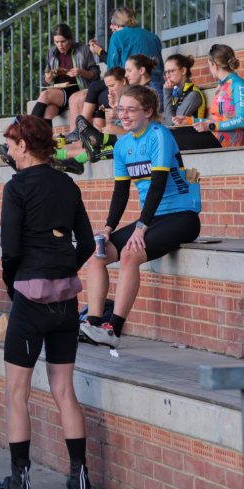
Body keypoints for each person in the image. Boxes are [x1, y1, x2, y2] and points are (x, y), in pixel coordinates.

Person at [0, 115, 95, 489]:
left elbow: (10, 248)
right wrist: (65, 269)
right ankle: (80, 475)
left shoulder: (17, 187)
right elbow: (89, 244)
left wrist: (16, 281)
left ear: (25, 146)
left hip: (30, 297)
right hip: (65, 298)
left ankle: (19, 481)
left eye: (11, 144)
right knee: (64, 390)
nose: (8, 150)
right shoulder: (67, 183)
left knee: (16, 393)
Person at [80, 85, 202, 347]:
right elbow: (120, 192)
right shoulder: (123, 144)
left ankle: (114, 330)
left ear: (148, 112)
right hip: (152, 219)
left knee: (129, 254)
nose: (123, 115)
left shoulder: (160, 134)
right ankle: (93, 323)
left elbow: (158, 184)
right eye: (120, 109)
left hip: (181, 216)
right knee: (97, 252)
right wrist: (108, 228)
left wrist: (141, 227)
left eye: (131, 110)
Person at [29, 24, 99, 129]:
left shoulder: (83, 50)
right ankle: (45, 143)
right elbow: (46, 80)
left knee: (45, 95)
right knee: (48, 113)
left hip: (76, 88)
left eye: (63, 41)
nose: (60, 45)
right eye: (56, 42)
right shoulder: (51, 52)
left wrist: (81, 72)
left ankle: (25, 132)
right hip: (58, 90)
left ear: (70, 39)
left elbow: (95, 73)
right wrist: (48, 78)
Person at [190, 43, 244, 148]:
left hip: (230, 140)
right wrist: (189, 120)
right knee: (177, 135)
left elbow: (241, 121)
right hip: (215, 135)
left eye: (209, 65)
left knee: (183, 139)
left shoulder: (239, 85)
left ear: (215, 65)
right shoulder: (221, 86)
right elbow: (215, 120)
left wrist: (210, 126)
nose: (209, 69)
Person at [163, 53, 218, 151]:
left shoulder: (193, 94)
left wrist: (166, 93)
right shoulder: (175, 93)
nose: (167, 76)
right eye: (165, 72)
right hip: (181, 138)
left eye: (171, 71)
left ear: (183, 70)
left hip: (193, 136)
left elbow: (173, 125)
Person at [104, 6, 163, 97]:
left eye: (112, 23)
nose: (111, 27)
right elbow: (160, 65)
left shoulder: (117, 36)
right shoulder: (153, 36)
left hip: (131, 87)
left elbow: (112, 69)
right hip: (157, 85)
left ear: (117, 24)